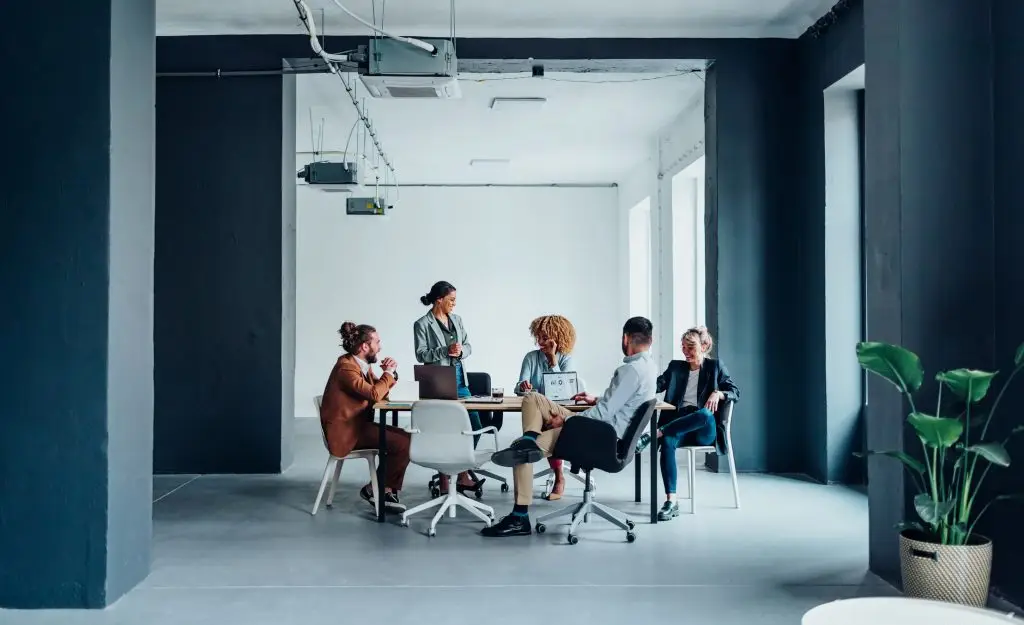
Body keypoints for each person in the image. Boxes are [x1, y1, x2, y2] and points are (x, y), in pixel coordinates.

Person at [481, 316, 658, 538]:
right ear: (650, 340)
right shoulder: (649, 367)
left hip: (600, 436)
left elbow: (603, 415)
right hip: (607, 432)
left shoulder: (629, 371)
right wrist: (596, 399)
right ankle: (529, 439)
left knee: (520, 455)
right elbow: (621, 403)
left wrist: (565, 421)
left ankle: (519, 518)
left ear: (625, 338)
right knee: (533, 399)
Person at [637, 325, 739, 521]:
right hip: (679, 423)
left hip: (703, 429)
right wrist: (641, 377)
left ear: (703, 346)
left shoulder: (715, 367)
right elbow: (656, 385)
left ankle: (656, 433)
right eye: (683, 347)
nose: (685, 352)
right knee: (667, 442)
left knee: (706, 415)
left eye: (690, 347)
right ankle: (671, 501)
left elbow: (735, 392)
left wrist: (719, 393)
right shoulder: (676, 367)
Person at [320, 322, 410, 513]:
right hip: (347, 433)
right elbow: (375, 394)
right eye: (377, 342)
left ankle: (381, 489)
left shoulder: (359, 365)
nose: (380, 346)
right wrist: (387, 374)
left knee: (403, 438)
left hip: (357, 426)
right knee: (404, 442)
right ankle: (377, 491)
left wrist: (390, 374)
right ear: (365, 347)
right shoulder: (346, 368)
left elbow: (379, 390)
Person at [412, 280, 484, 495]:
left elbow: (469, 346)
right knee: (443, 428)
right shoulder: (422, 324)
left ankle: (460, 471)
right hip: (438, 381)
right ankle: (448, 477)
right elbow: (421, 354)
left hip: (461, 380)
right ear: (439, 300)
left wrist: (460, 352)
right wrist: (445, 350)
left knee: (474, 425)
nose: (454, 304)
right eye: (451, 300)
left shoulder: (458, 320)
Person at [515, 314, 583, 501]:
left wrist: (553, 360)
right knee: (541, 419)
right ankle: (532, 450)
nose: (539, 341)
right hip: (536, 408)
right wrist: (522, 386)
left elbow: (564, 391)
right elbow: (520, 385)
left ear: (557, 338)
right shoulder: (531, 357)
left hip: (558, 409)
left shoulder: (565, 359)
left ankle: (558, 476)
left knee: (549, 422)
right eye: (538, 336)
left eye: (545, 337)